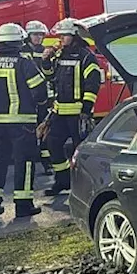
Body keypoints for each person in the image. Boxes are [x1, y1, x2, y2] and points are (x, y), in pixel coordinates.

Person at [0, 24, 48, 219]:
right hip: (22, 123)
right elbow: (40, 92)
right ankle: (23, 205)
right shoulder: (23, 63)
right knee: (24, 162)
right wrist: (41, 106)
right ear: (19, 43)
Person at [44, 18, 101, 196]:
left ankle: (82, 187)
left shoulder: (86, 56)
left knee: (80, 151)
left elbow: (93, 83)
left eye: (65, 36)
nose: (61, 39)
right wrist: (46, 60)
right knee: (52, 143)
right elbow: (50, 76)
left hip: (77, 113)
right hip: (60, 112)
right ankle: (62, 181)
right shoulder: (60, 54)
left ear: (74, 36)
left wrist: (86, 110)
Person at [24, 20, 54, 176]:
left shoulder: (45, 52)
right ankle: (29, 163)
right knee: (28, 132)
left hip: (43, 98)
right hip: (27, 99)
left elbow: (50, 74)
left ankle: (47, 163)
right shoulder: (22, 52)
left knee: (44, 131)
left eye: (41, 35)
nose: (38, 38)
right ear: (28, 36)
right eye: (35, 35)